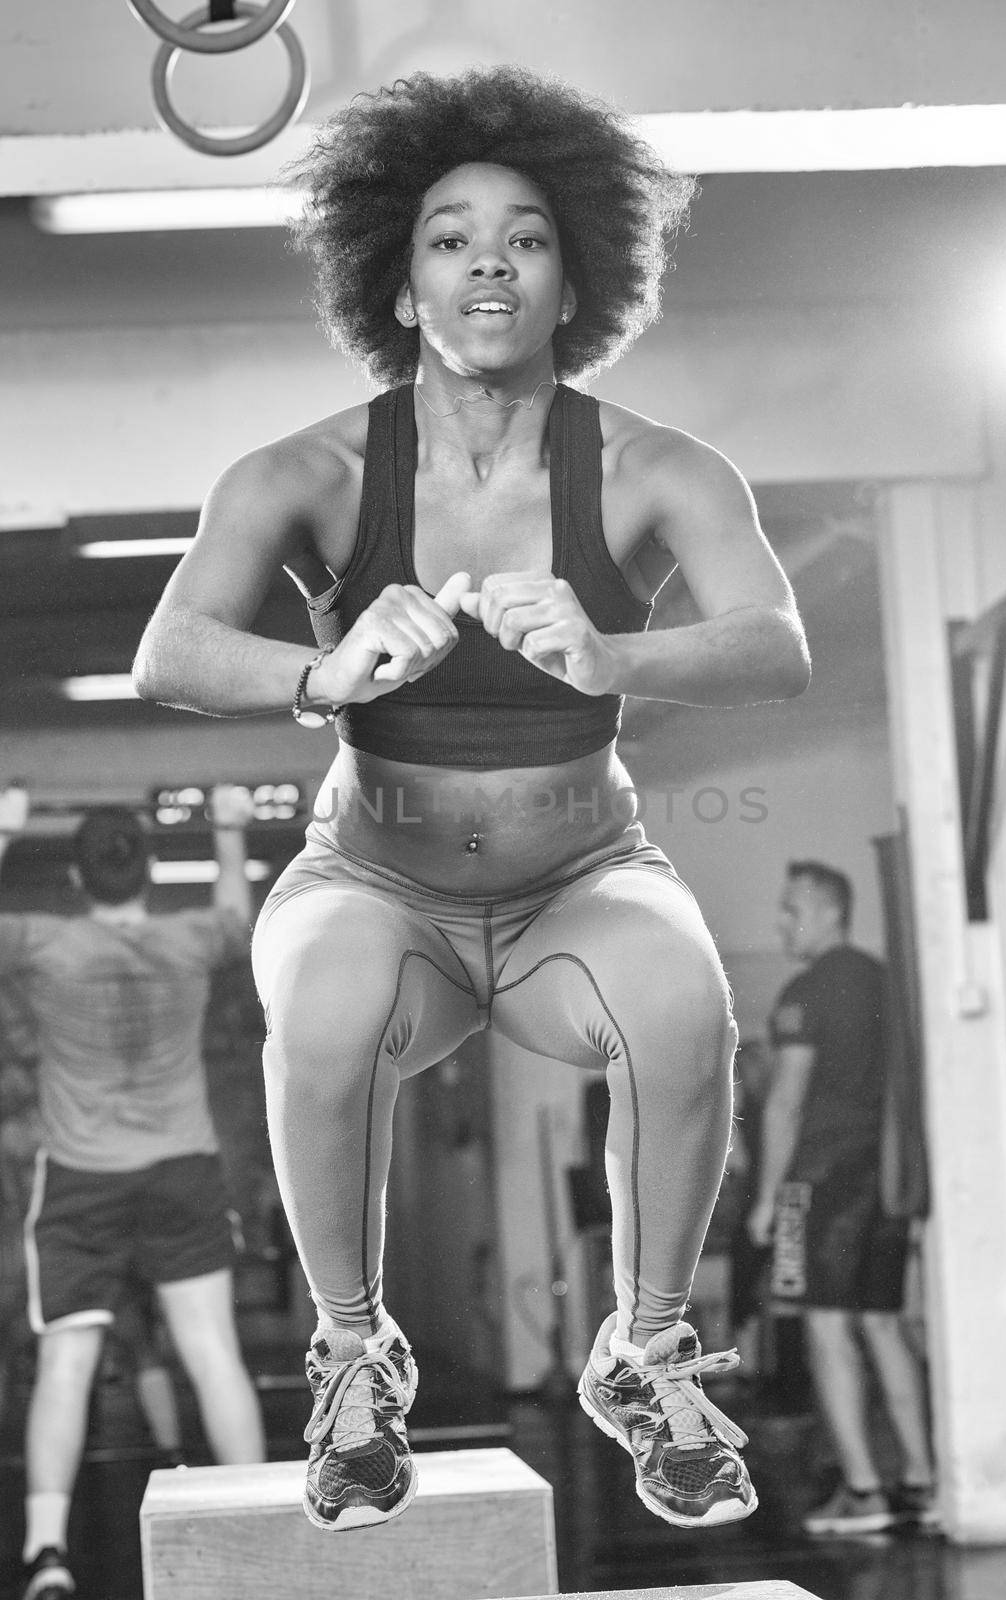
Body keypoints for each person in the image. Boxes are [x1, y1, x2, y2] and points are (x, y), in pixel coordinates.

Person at [132, 66, 811, 1535]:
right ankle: (355, 1354)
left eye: (526, 236)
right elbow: (169, 655)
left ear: (577, 284)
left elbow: (779, 645)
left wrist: (613, 645)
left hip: (583, 879)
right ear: (397, 281)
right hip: (381, 884)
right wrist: (329, 672)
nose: (489, 260)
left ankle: (644, 1352)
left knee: (687, 1004)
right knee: (316, 1005)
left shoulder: (655, 469)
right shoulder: (302, 472)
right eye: (449, 237)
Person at [0, 785, 266, 1600]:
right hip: (180, 1173)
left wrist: (5, 831)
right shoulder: (189, 941)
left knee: (68, 1365)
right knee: (211, 1351)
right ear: (148, 868)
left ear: (77, 881)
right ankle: (258, 1529)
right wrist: (228, 828)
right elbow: (238, 916)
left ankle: (48, 1553)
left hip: (83, 1183)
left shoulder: (40, 942)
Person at [748, 861, 938, 1536]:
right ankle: (922, 1480)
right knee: (882, 1324)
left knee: (827, 1328)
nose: (781, 921)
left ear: (832, 912)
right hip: (885, 1178)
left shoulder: (806, 991)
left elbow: (787, 1103)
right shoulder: (887, 981)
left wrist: (768, 1200)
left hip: (820, 1183)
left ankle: (864, 1493)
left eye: (793, 908)